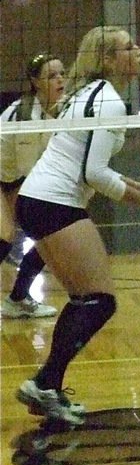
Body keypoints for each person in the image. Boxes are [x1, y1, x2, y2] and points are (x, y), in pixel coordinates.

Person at [14, 26, 140, 427]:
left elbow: (82, 158)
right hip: (54, 202)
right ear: (108, 60)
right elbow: (95, 174)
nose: (139, 51)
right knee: (100, 300)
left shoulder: (86, 94)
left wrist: (138, 184)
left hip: (37, 200)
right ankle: (45, 383)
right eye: (128, 47)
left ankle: (47, 385)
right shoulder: (108, 101)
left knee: (84, 299)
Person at [1, 52, 66, 319]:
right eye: (52, 76)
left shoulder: (63, 111)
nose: (60, 80)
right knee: (5, 239)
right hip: (8, 178)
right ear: (35, 82)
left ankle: (17, 299)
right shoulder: (26, 115)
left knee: (48, 236)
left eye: (62, 74)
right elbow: (29, 174)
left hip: (13, 178)